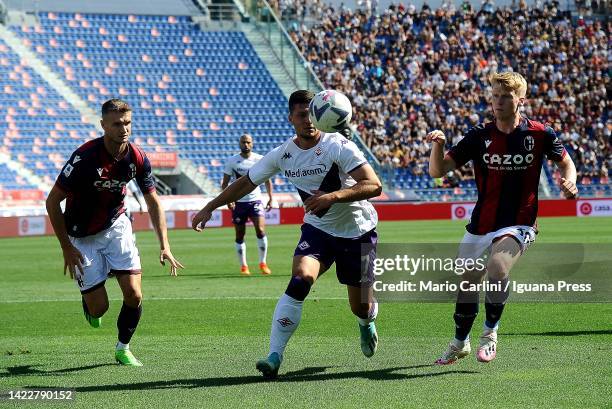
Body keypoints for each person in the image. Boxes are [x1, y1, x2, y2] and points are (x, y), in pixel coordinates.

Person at [192, 90, 382, 378]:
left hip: (358, 231)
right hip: (318, 229)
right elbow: (246, 182)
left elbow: (373, 185)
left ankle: (366, 323)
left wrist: (332, 196)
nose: (309, 120)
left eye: (313, 114)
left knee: (362, 307)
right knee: (300, 278)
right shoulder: (284, 154)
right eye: (303, 115)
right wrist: (210, 206)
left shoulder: (339, 146)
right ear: (291, 118)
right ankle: (274, 355)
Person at [427, 72, 578, 364]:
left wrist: (570, 181)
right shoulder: (478, 135)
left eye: (505, 97)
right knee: (468, 282)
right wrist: (438, 145)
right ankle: (460, 342)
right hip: (481, 222)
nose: (498, 102)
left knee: (497, 266)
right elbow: (438, 171)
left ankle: (490, 333)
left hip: (520, 220)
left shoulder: (539, 133)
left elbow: (566, 163)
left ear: (520, 100)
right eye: (495, 96)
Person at [46, 99, 184, 366]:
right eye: (117, 124)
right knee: (100, 308)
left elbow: (153, 200)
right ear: (103, 125)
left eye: (128, 123)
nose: (124, 129)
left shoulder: (137, 157)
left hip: (117, 225)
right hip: (81, 236)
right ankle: (90, 303)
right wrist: (66, 247)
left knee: (134, 293)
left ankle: (123, 347)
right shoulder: (84, 157)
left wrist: (164, 244)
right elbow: (52, 201)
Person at [222, 133, 274, 276]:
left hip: (255, 200)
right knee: (240, 234)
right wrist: (228, 199)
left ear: (252, 144)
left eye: (248, 142)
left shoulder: (259, 159)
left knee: (261, 230)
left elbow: (267, 180)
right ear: (239, 143)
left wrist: (270, 198)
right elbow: (225, 183)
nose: (246, 144)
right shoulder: (232, 161)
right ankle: (244, 266)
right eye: (243, 142)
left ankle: (263, 263)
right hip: (239, 202)